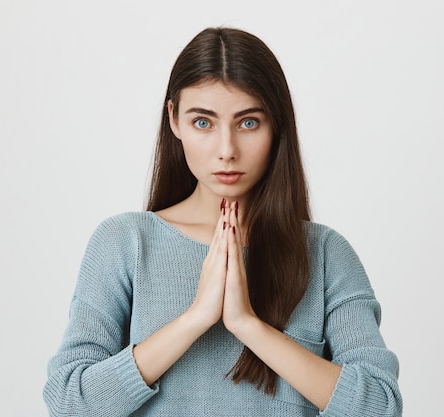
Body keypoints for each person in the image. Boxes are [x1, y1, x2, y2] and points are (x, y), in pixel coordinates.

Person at [43, 27, 402, 417]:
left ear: (276, 125)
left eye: (248, 123)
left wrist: (248, 325)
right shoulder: (125, 242)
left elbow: (380, 407)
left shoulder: (326, 253)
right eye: (203, 122)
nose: (226, 150)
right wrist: (196, 318)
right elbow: (69, 403)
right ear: (174, 120)